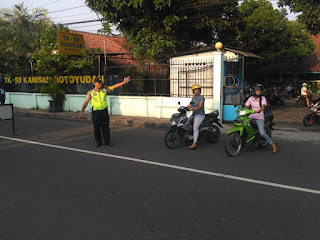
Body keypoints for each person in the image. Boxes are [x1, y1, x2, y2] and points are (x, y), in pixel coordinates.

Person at [79, 76, 130, 147]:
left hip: (104, 111)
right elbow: (86, 102)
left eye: (100, 83)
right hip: (96, 112)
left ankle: (107, 141)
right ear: (94, 83)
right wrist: (82, 111)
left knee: (105, 127)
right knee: (96, 128)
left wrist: (124, 82)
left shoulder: (105, 89)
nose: (100, 84)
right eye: (98, 83)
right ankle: (98, 142)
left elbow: (114, 86)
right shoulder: (91, 92)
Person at [243, 83, 278, 153]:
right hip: (251, 116)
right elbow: (246, 106)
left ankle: (273, 144)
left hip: (259, 117)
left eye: (260, 90)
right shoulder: (250, 98)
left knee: (262, 133)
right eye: (257, 90)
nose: (259, 92)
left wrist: (258, 110)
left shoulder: (263, 98)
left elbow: (262, 108)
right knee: (244, 125)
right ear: (253, 91)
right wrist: (241, 110)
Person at [183, 84, 205, 150]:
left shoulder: (201, 97)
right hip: (194, 114)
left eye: (198, 90)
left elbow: (200, 106)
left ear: (199, 91)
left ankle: (194, 143)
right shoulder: (193, 98)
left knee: (195, 127)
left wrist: (193, 109)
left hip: (200, 114)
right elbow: (190, 104)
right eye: (195, 90)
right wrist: (185, 107)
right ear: (193, 91)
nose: (196, 91)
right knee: (186, 123)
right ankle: (186, 136)